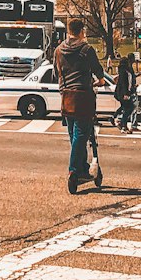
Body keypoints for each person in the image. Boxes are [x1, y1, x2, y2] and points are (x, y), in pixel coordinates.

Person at [55, 18, 105, 194]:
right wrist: (100, 80)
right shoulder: (86, 49)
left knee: (74, 136)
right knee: (81, 134)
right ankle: (73, 170)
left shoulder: (59, 50)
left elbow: (57, 73)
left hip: (66, 96)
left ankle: (82, 168)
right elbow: (98, 71)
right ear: (82, 31)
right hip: (83, 96)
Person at [115, 52, 139, 132]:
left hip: (126, 92)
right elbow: (124, 83)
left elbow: (128, 82)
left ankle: (122, 124)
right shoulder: (124, 71)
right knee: (129, 108)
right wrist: (126, 93)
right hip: (123, 93)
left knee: (127, 108)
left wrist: (132, 87)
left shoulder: (127, 71)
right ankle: (121, 123)